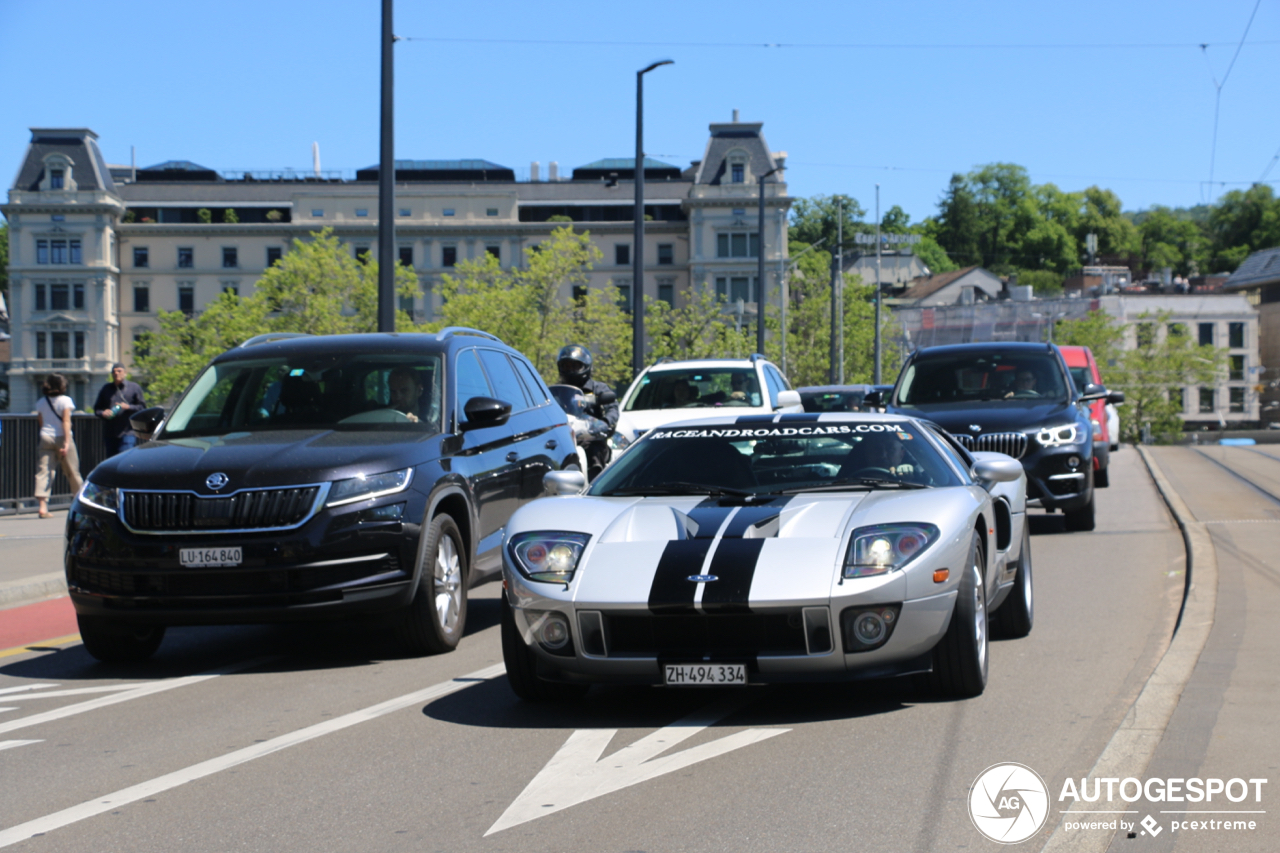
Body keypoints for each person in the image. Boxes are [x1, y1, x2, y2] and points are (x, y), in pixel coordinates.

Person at [556, 344, 618, 480]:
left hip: (591, 437)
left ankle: (595, 481)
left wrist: (606, 422)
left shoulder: (598, 388)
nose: (570, 369)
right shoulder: (557, 392)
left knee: (594, 451)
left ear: (585, 366)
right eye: (566, 366)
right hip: (566, 437)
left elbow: (612, 408)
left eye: (574, 366)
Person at [35, 373, 84, 518]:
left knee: (44, 471)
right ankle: (80, 503)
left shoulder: (41, 402)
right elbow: (66, 422)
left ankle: (43, 507)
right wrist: (67, 443)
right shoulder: (66, 401)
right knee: (72, 471)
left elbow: (40, 421)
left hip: (45, 436)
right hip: (62, 437)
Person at [94, 363, 147, 456]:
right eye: (114, 372)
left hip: (127, 431)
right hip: (110, 433)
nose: (116, 373)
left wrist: (128, 407)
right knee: (112, 461)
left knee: (124, 458)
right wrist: (103, 413)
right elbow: (97, 409)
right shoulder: (106, 388)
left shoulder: (134, 387)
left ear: (125, 373)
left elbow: (142, 407)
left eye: (119, 371)